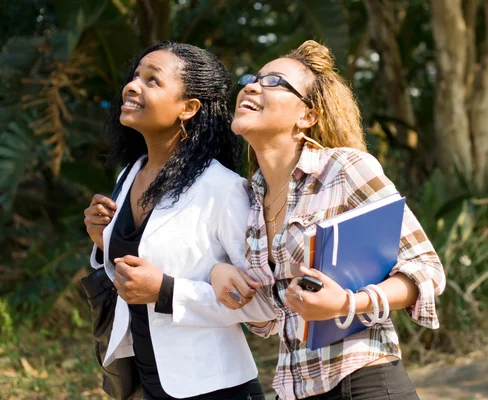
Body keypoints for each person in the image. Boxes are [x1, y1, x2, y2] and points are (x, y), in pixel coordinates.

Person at [209, 40, 446, 400]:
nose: (252, 86)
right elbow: (271, 320)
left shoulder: (344, 169)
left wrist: (348, 304)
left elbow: (426, 269)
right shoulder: (250, 197)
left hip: (363, 380)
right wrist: (221, 277)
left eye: (274, 81)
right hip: (295, 389)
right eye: (252, 78)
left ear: (307, 115)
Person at [83, 41, 274, 400]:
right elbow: (135, 272)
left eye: (152, 80)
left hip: (213, 387)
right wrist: (103, 241)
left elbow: (263, 304)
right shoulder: (129, 175)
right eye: (135, 75)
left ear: (188, 108)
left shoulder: (223, 188)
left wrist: (167, 291)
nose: (132, 85)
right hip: (144, 382)